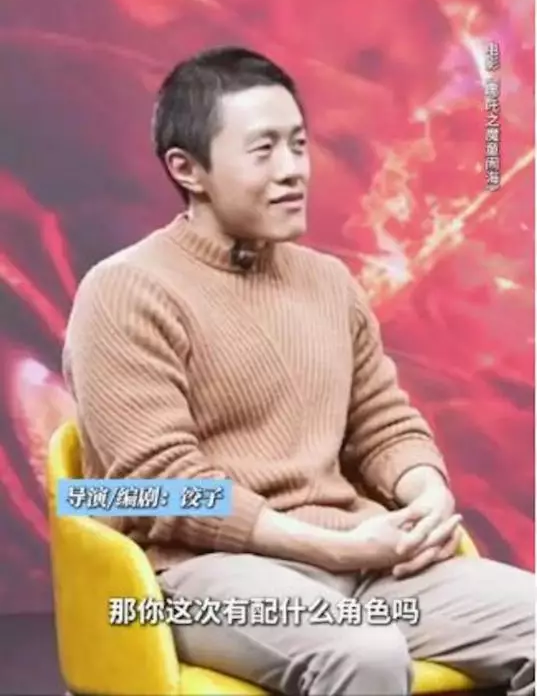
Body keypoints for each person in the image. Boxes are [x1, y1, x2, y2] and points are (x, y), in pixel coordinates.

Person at [63, 46, 534, 696]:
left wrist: (428, 495)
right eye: (263, 150)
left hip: (363, 560)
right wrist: (324, 546)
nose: (293, 170)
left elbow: (382, 425)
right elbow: (158, 485)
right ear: (187, 169)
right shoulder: (124, 290)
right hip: (204, 574)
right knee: (362, 653)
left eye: (299, 144)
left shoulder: (328, 281)